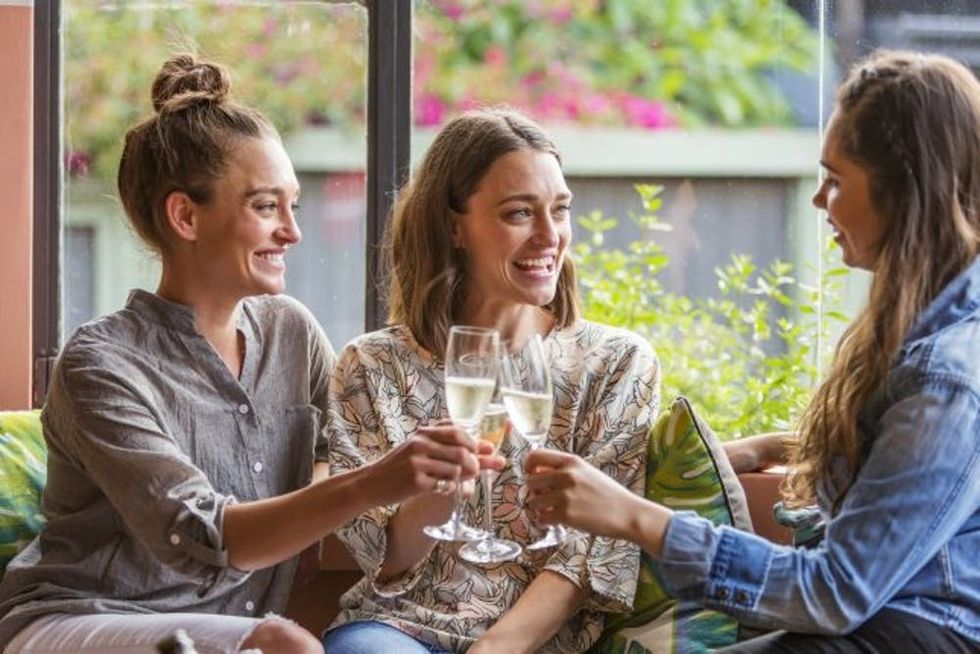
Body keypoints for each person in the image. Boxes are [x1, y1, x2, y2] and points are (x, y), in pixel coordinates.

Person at [0, 53, 492, 654]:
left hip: (230, 628)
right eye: (265, 206)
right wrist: (371, 483)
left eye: (293, 206)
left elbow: (333, 456)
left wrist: (411, 479)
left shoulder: (292, 333)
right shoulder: (100, 364)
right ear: (185, 216)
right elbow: (204, 537)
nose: (292, 231)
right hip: (78, 619)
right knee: (287, 645)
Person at [525, 50, 980, 653]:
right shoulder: (915, 336)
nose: (818, 200)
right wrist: (753, 451)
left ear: (903, 191)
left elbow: (835, 592)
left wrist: (634, 516)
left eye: (835, 179)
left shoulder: (948, 376)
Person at [322, 107, 661, 653]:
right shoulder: (372, 366)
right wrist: (438, 494)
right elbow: (383, 561)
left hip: (540, 644)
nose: (549, 236)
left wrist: (492, 650)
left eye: (560, 210)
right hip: (397, 631)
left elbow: (593, 550)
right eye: (519, 213)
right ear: (454, 227)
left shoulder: (615, 363)